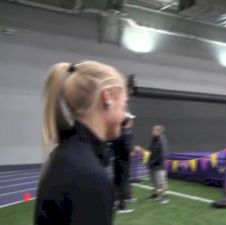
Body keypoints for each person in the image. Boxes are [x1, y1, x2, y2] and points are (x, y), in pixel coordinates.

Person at [34, 61, 128, 225]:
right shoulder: (89, 176)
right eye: (124, 105)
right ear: (107, 97)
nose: (125, 115)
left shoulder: (67, 154)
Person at [112, 112, 136, 213]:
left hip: (117, 161)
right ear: (127, 122)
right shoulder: (125, 134)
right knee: (122, 183)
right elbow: (127, 150)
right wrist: (131, 152)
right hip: (124, 162)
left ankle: (116, 202)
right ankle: (121, 206)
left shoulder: (118, 132)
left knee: (117, 183)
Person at [147, 125, 169, 204]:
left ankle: (165, 196)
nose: (152, 131)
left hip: (160, 164)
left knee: (162, 181)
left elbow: (163, 154)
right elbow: (150, 149)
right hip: (152, 163)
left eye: (154, 130)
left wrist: (155, 161)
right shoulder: (154, 139)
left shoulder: (162, 140)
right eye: (153, 130)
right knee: (154, 180)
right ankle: (155, 194)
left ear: (159, 131)